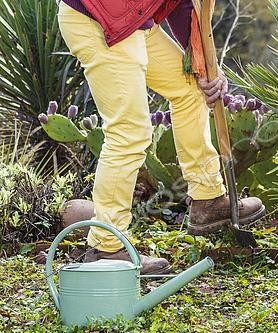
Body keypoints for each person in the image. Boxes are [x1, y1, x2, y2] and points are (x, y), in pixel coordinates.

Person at [57, 0, 265, 274]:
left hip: (132, 19)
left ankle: (208, 199)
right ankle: (106, 247)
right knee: (128, 132)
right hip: (99, 19)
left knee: (189, 89)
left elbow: (184, 7)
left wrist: (202, 67)